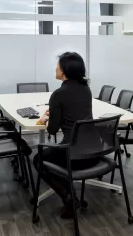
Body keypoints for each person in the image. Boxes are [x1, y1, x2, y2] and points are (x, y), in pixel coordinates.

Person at [33, 52, 93, 218]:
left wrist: (48, 116)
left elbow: (52, 130)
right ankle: (72, 194)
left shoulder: (58, 94)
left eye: (58, 65)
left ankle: (69, 198)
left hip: (72, 153)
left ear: (64, 71)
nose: (56, 68)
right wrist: (56, 112)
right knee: (55, 156)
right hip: (94, 151)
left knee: (38, 160)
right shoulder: (86, 90)